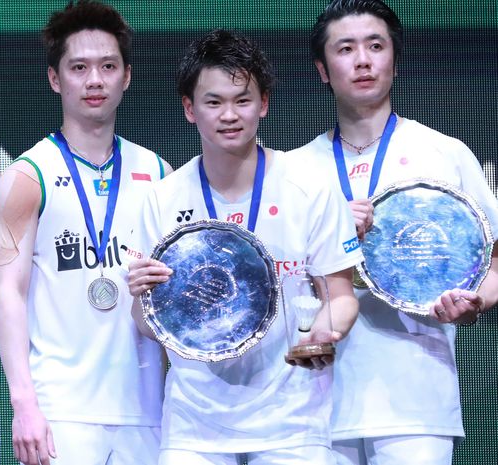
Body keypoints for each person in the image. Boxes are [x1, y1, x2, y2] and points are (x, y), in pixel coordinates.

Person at [126, 29, 362, 465]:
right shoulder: (161, 198)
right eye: (213, 102)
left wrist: (325, 331)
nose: (229, 115)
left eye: (242, 100)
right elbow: (147, 322)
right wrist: (141, 296)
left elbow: (341, 295)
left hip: (293, 423)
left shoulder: (309, 188)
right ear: (189, 109)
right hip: (194, 426)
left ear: (264, 104)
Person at [289, 1, 498, 464]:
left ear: (394, 62)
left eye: (375, 46)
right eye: (346, 49)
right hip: (311, 405)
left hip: (416, 404)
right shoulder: (293, 170)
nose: (362, 60)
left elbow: (495, 259)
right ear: (323, 70)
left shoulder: (445, 153)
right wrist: (329, 231)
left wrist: (474, 301)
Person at [0, 1, 171, 464]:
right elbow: (8, 294)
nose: (95, 80)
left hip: (147, 409)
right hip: (60, 412)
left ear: (126, 76)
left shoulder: (157, 173)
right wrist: (24, 405)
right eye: (79, 67)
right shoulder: (27, 175)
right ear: (56, 79)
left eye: (108, 66)